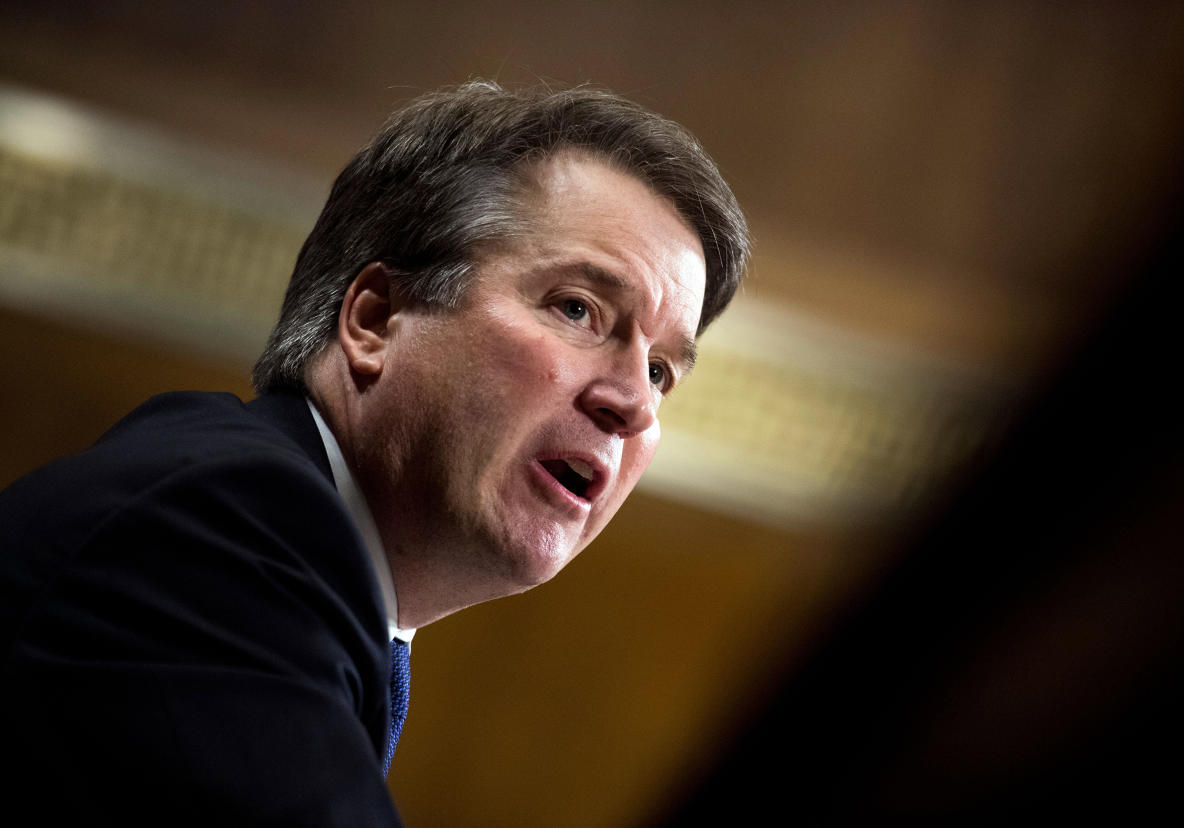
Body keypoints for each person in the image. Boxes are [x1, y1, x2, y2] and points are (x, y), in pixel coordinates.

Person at [0, 81, 748, 824]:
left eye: (660, 370)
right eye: (578, 309)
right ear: (376, 319)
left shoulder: (303, 577)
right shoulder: (218, 528)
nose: (635, 404)